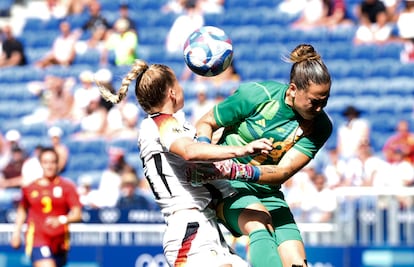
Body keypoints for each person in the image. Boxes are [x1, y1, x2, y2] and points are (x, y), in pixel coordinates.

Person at [96, 59, 273, 266]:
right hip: (189, 229)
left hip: (206, 227)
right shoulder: (159, 123)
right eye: (179, 83)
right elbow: (190, 152)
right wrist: (241, 149)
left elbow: (199, 156)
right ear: (172, 92)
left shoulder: (176, 127)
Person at [193, 43, 332, 266]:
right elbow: (206, 122)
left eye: (325, 101)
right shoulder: (257, 95)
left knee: (298, 264)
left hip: (268, 193)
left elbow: (282, 172)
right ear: (293, 90)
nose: (319, 109)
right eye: (315, 102)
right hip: (227, 186)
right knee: (259, 224)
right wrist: (204, 152)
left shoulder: (322, 126)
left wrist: (236, 169)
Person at [10, 147, 82, 267]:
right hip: (38, 238)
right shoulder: (30, 188)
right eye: (46, 162)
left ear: (57, 164)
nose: (49, 166)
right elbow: (22, 210)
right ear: (41, 164)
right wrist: (16, 233)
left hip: (60, 241)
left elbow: (77, 214)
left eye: (53, 162)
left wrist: (61, 220)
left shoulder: (67, 187)